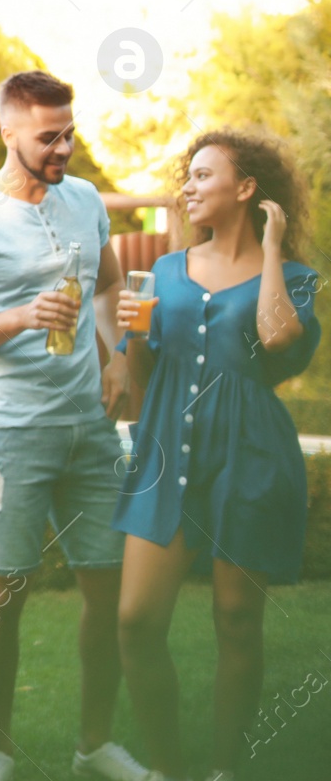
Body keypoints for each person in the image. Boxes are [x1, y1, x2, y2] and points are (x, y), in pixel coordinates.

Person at [0, 70, 146, 781]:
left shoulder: (84, 200)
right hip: (10, 432)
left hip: (89, 429)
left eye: (69, 133)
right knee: (2, 601)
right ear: (9, 132)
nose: (63, 148)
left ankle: (95, 746)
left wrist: (115, 357)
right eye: (48, 137)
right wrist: (23, 315)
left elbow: (110, 285)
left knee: (108, 592)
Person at [113, 130, 320, 781]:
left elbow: (277, 337)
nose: (189, 187)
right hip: (165, 457)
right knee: (135, 620)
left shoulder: (293, 278)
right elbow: (133, 383)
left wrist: (272, 247)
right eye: (188, 177)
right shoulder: (166, 272)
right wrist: (129, 338)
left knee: (236, 621)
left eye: (204, 176)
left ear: (246, 188)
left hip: (252, 456)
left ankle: (226, 770)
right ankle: (170, 769)